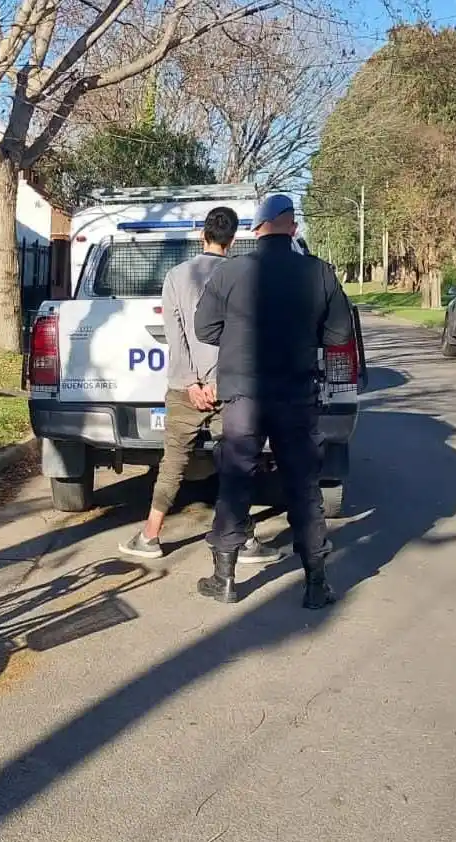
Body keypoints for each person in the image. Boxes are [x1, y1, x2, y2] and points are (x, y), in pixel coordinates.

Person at [193, 194, 355, 607]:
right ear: (293, 229)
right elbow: (339, 334)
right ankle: (315, 583)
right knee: (303, 485)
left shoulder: (230, 272)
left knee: (236, 480)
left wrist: (238, 338)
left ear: (256, 229)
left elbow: (205, 329)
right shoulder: (318, 272)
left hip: (243, 395)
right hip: (295, 394)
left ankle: (224, 579)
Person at [118, 207, 277, 564]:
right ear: (232, 240)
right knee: (235, 463)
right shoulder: (246, 277)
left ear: (201, 235)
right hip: (232, 386)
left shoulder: (176, 277)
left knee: (173, 462)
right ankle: (243, 539)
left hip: (184, 387)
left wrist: (191, 382)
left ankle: (150, 536)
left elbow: (176, 338)